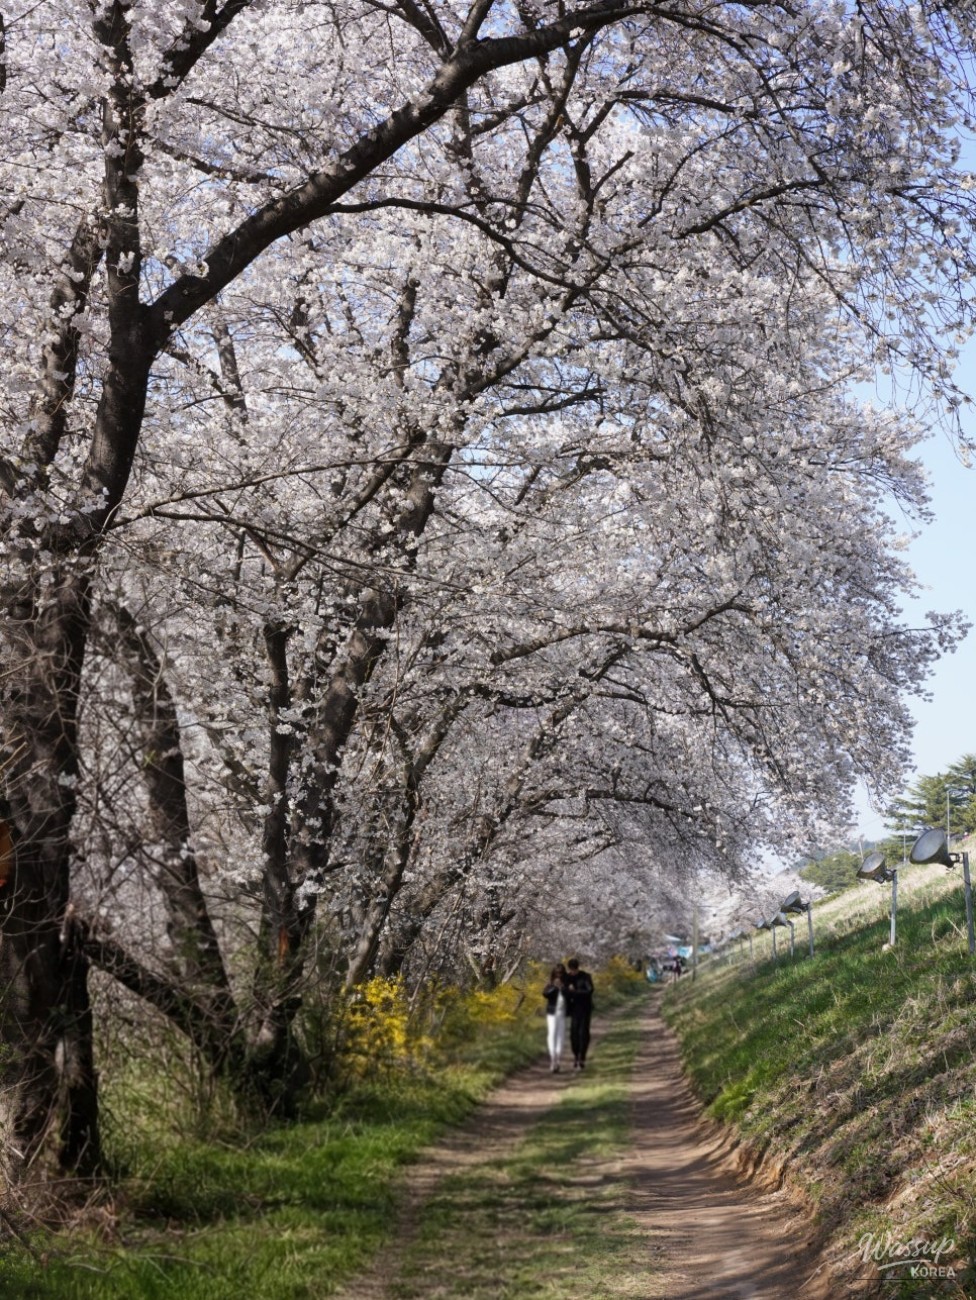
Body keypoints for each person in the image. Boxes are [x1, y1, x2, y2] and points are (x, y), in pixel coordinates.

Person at [565, 957, 594, 1070]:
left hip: (585, 1009)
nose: (573, 972)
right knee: (573, 1034)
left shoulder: (585, 977)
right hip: (573, 1010)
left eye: (574, 970)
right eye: (571, 970)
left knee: (583, 1033)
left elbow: (590, 990)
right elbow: (564, 991)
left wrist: (575, 992)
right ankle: (576, 1055)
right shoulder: (567, 978)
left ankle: (582, 1057)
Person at [542, 964, 568, 1072]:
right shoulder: (550, 984)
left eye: (561, 973)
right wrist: (555, 987)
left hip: (562, 1013)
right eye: (557, 973)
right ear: (554, 974)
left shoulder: (566, 984)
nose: (559, 975)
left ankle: (557, 1059)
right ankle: (553, 1058)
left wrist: (563, 987)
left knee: (560, 1036)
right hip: (552, 1013)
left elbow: (571, 995)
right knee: (552, 1034)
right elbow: (545, 994)